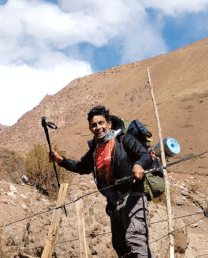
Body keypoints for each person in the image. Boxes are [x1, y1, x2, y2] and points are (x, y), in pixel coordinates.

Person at [50, 105, 154, 258]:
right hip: (113, 205)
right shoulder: (95, 150)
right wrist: (61, 161)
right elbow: (82, 167)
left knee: (136, 242)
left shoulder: (124, 140)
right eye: (94, 124)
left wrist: (139, 165)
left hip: (133, 196)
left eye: (101, 123)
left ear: (109, 124)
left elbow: (144, 155)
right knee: (121, 248)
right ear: (90, 128)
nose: (98, 127)